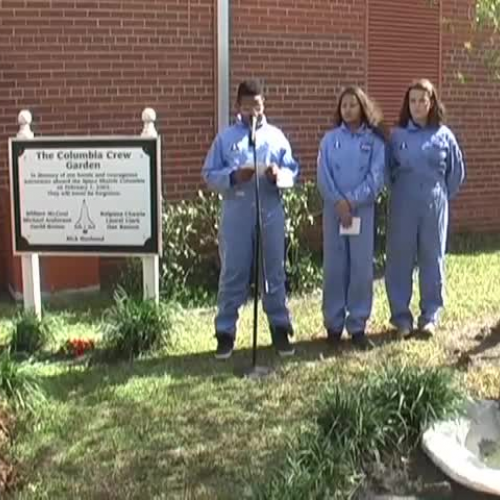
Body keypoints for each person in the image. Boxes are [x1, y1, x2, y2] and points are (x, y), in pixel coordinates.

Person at [202, 79, 300, 360]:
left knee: (274, 272)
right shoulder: (226, 138)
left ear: (264, 104)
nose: (252, 113)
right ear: (238, 107)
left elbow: (293, 170)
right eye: (247, 107)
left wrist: (277, 175)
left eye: (257, 106)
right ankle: (225, 333)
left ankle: (280, 328)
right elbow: (209, 174)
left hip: (270, 209)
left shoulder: (276, 137)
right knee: (233, 271)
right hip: (237, 211)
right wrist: (233, 176)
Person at [385, 78, 466, 338]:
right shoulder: (397, 136)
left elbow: (456, 172)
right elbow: (386, 170)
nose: (417, 105)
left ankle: (430, 315)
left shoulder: (444, 135)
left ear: (432, 103)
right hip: (402, 205)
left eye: (423, 100)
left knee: (433, 258)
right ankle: (401, 318)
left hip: (434, 205)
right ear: (407, 104)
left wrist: (440, 195)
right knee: (400, 260)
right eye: (413, 100)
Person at [317, 86, 386, 349]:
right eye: (344, 105)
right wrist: (338, 202)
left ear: (362, 107)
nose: (347, 110)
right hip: (334, 213)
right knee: (335, 268)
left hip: (361, 212)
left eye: (353, 105)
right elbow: (323, 176)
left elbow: (376, 178)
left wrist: (352, 201)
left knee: (360, 268)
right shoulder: (329, 139)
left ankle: (357, 325)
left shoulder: (375, 142)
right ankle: (333, 326)